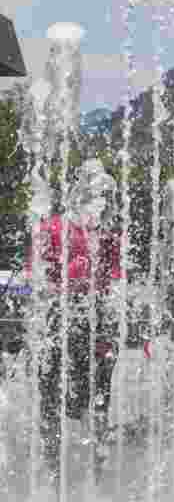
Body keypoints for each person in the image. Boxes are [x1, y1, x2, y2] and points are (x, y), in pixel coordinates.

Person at [29, 177, 122, 485]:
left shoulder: (105, 234)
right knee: (51, 396)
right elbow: (37, 276)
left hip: (95, 323)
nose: (103, 206)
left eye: (105, 200)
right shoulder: (51, 229)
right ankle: (53, 468)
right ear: (78, 199)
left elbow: (116, 278)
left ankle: (97, 469)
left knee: (95, 397)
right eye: (97, 199)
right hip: (59, 318)